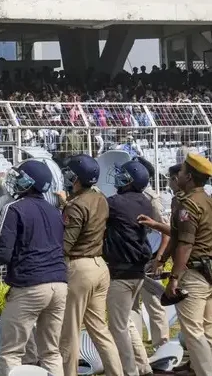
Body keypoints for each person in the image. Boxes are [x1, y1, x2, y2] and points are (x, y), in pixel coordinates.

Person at [0, 160, 67, 376]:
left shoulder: (13, 209)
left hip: (30, 284)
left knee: (11, 352)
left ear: (29, 182)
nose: (15, 181)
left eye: (20, 178)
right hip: (59, 284)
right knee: (51, 352)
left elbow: (2, 254)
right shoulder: (54, 211)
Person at [58, 154, 123, 376]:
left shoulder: (75, 206)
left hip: (79, 267)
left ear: (77, 178)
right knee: (100, 329)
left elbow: (66, 244)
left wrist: (65, 208)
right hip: (99, 266)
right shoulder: (100, 197)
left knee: (69, 331)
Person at [161, 153, 212, 376]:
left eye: (181, 172)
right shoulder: (207, 200)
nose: (177, 176)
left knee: (193, 331)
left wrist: (174, 278)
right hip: (208, 271)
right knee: (207, 328)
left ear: (189, 177)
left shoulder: (189, 205)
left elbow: (185, 244)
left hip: (194, 273)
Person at [102, 160, 153, 376]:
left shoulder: (115, 202)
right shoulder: (145, 201)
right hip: (137, 271)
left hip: (121, 272)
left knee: (118, 326)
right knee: (126, 321)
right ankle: (143, 365)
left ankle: (130, 370)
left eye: (123, 175)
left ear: (131, 181)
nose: (118, 178)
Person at [135, 156, 170, 349]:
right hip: (133, 256)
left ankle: (162, 346)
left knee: (154, 303)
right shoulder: (128, 195)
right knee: (131, 305)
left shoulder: (151, 199)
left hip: (150, 256)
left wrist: (160, 259)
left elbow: (166, 232)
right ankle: (135, 346)